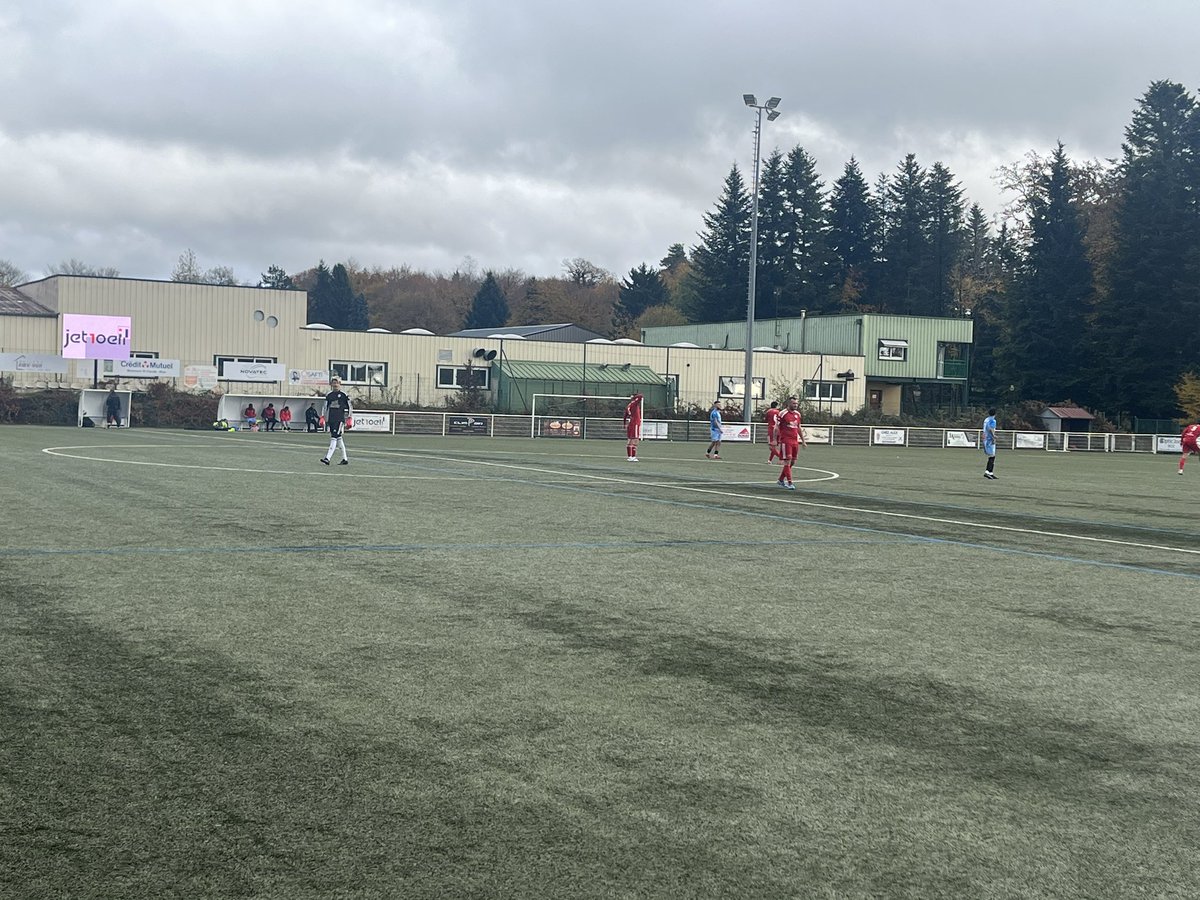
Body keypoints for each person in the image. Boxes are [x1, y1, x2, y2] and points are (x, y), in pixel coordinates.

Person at [775, 396, 807, 490]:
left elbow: (798, 428)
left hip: (794, 441)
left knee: (792, 462)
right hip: (786, 440)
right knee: (787, 461)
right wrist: (775, 439)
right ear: (788, 404)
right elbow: (776, 427)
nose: (795, 405)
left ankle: (781, 479)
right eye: (794, 403)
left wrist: (803, 441)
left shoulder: (798, 414)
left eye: (796, 403)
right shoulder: (783, 413)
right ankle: (789, 482)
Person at [321, 376, 351, 466]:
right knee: (338, 438)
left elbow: (350, 406)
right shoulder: (329, 395)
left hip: (339, 419)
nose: (335, 384)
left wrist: (349, 417)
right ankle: (344, 459)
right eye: (333, 382)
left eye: (337, 382)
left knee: (334, 437)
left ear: (340, 383)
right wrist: (323, 416)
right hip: (331, 418)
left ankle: (327, 458)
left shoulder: (343, 395)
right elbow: (325, 406)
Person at [623, 392, 644, 462]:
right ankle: (633, 456)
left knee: (630, 440)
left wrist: (624, 423)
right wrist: (635, 397)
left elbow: (625, 415)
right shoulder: (634, 404)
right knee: (635, 440)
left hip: (631, 423)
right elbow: (641, 396)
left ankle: (629, 456)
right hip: (635, 423)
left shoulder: (629, 405)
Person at [982, 408, 998, 479]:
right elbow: (990, 428)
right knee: (992, 456)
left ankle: (990, 472)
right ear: (995, 414)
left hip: (985, 439)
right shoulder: (993, 420)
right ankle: (987, 472)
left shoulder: (986, 419)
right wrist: (993, 437)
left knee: (992, 456)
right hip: (989, 439)